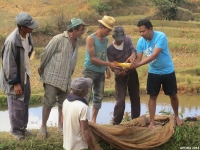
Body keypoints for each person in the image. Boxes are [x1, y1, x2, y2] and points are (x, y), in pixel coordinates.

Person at [37, 18, 89, 138]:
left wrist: (71, 71)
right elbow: (46, 53)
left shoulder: (77, 41)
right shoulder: (59, 39)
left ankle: (60, 126)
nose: (83, 31)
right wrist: (41, 68)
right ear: (74, 29)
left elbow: (73, 58)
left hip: (66, 78)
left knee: (63, 104)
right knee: (49, 102)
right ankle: (43, 127)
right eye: (81, 29)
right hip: (52, 77)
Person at [133, 18, 183, 128]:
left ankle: (176, 116)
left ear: (150, 28)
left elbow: (154, 55)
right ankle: (151, 122)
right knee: (152, 96)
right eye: (140, 32)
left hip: (167, 71)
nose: (141, 34)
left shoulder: (161, 36)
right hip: (153, 72)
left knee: (173, 95)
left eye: (143, 31)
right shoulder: (140, 42)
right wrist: (131, 63)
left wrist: (139, 64)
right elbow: (139, 58)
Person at [0, 12, 38, 141]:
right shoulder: (12, 41)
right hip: (14, 79)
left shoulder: (27, 36)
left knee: (25, 102)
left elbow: (27, 53)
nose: (32, 28)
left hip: (25, 75)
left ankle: (23, 128)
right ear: (22, 27)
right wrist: (15, 83)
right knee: (15, 103)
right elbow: (8, 65)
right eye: (30, 26)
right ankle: (15, 131)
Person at [82, 15, 120, 123]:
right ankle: (83, 120)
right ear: (102, 27)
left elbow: (103, 55)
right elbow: (93, 58)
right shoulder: (91, 38)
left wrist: (106, 67)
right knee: (86, 96)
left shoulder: (106, 39)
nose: (109, 33)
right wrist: (109, 64)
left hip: (100, 72)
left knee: (99, 96)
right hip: (90, 70)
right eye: (108, 30)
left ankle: (93, 120)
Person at [107, 26, 140, 125]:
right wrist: (118, 72)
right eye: (118, 40)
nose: (120, 41)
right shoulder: (110, 49)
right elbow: (112, 65)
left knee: (135, 97)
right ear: (113, 37)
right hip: (120, 77)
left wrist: (132, 56)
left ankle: (136, 120)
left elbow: (133, 51)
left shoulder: (127, 39)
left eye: (122, 39)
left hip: (132, 73)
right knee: (120, 100)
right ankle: (116, 123)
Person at [62, 77, 97, 150]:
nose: (88, 88)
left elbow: (63, 121)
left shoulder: (66, 101)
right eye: (87, 87)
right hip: (80, 147)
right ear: (85, 90)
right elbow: (85, 132)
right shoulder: (83, 107)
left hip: (66, 146)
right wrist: (93, 148)